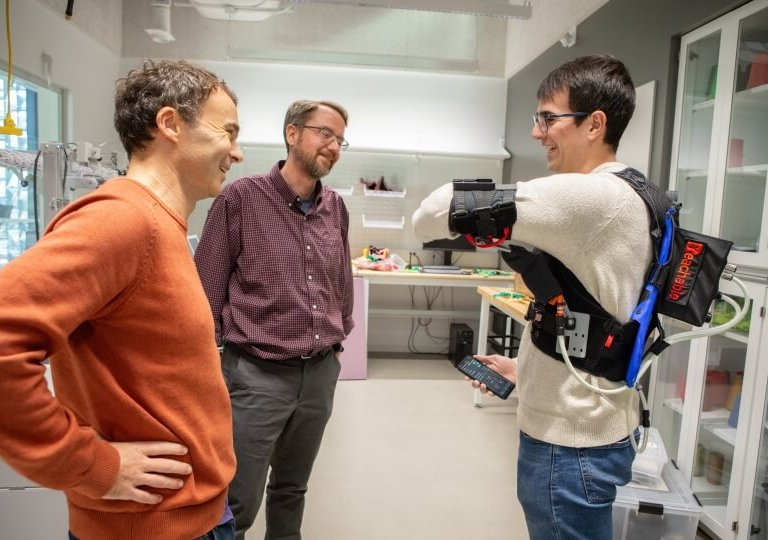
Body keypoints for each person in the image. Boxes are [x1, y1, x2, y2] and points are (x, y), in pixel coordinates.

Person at [0, 59, 244, 539]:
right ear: (170, 124)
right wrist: (91, 464)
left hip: (195, 514)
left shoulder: (161, 224)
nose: (236, 153)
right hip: (151, 526)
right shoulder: (122, 221)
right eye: (227, 131)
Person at [412, 54, 650, 540]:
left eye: (548, 118)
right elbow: (604, 323)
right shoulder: (638, 193)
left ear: (594, 124)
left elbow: (431, 214)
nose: (537, 133)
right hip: (594, 426)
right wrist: (526, 373)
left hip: (569, 448)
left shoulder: (591, 197)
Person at [194, 99, 354, 540]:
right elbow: (206, 287)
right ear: (292, 133)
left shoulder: (335, 208)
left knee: (291, 490)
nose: (333, 145)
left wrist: (336, 344)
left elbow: (341, 282)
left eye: (340, 139)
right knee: (239, 500)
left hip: (319, 373)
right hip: (256, 374)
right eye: (325, 133)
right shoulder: (240, 199)